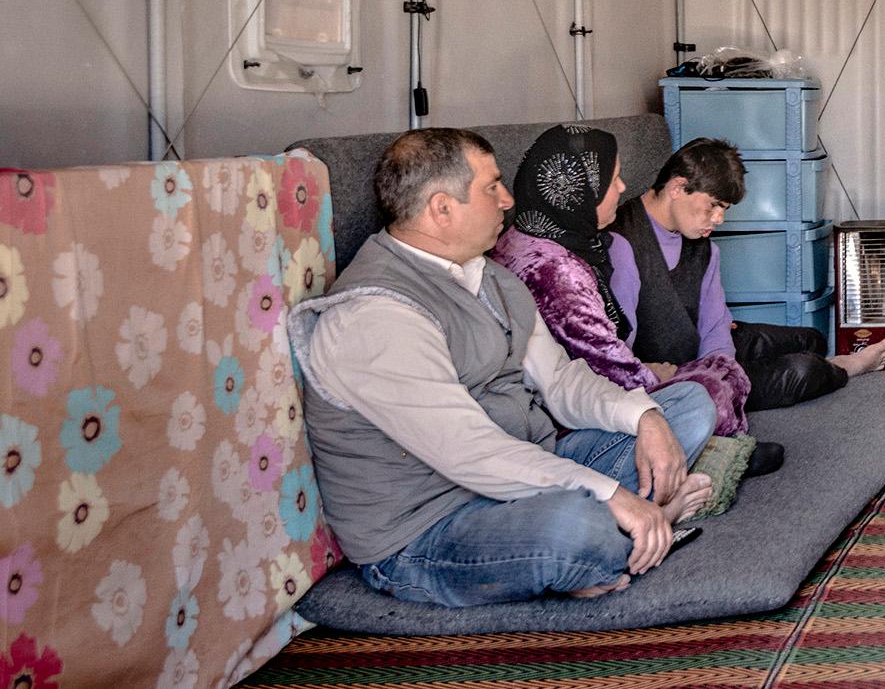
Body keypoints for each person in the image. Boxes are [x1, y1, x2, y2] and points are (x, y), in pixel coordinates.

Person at [289, 129, 715, 607]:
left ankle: (629, 532)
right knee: (576, 526)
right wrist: (611, 494)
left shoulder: (491, 277)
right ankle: (636, 523)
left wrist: (645, 418)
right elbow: (471, 454)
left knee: (689, 405)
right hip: (434, 527)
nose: (508, 200)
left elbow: (561, 381)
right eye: (492, 187)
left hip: (527, 472)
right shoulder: (375, 316)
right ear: (441, 208)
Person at [491, 126, 754, 439]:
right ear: (578, 189)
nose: (622, 187)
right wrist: (656, 374)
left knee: (762, 353)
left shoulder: (534, 237)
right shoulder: (557, 272)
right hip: (582, 417)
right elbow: (607, 367)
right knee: (708, 392)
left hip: (587, 392)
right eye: (612, 179)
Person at [612, 138, 885, 410]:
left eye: (724, 209)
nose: (719, 219)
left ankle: (816, 364)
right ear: (677, 187)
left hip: (700, 347)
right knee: (801, 370)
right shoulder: (622, 242)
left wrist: (722, 369)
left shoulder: (703, 246)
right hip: (668, 372)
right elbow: (615, 353)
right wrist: (709, 381)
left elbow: (713, 323)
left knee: (811, 339)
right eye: (713, 205)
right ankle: (847, 367)